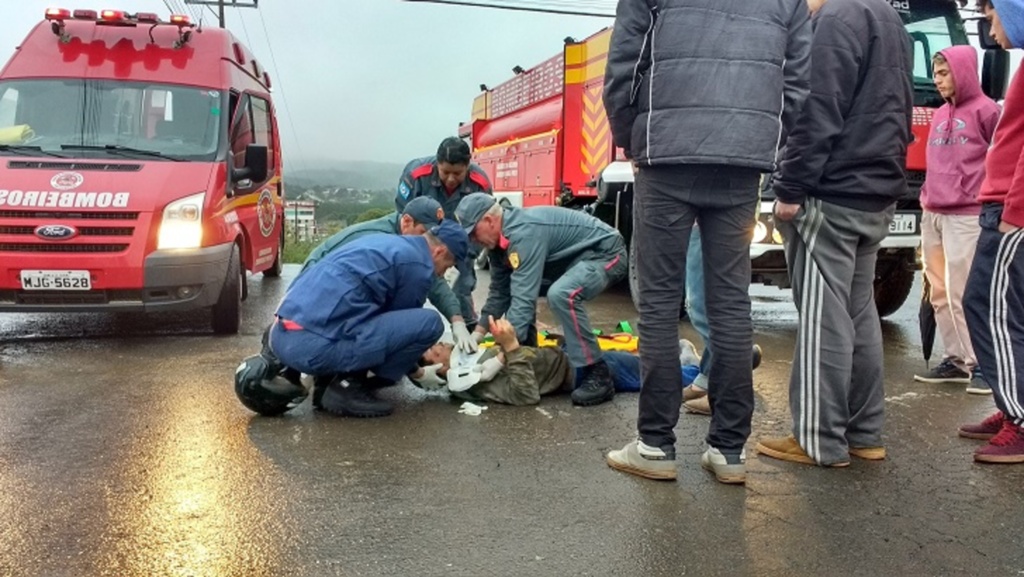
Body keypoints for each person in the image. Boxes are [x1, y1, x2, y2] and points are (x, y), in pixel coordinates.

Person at [602, 0, 812, 484]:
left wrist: (631, 139)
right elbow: (799, 84)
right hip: (742, 161)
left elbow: (623, 69)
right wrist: (766, 142)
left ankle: (655, 446)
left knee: (657, 303)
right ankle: (729, 450)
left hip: (666, 154)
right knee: (732, 305)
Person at [755, 0, 913, 468]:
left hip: (833, 190)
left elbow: (814, 110)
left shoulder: (834, 21)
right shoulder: (889, 19)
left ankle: (818, 439)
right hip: (876, 189)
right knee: (859, 313)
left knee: (825, 319)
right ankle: (865, 434)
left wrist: (789, 185)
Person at [266, 220, 469, 418]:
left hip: (282, 335)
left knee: (360, 312)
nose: (443, 273)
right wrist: (417, 373)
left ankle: (327, 383)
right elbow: (399, 335)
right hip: (311, 349)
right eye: (448, 265)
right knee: (429, 323)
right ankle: (348, 388)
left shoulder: (390, 243)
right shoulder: (418, 266)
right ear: (439, 252)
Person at [454, 193, 629, 407]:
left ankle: (596, 370)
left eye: (473, 233)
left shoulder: (523, 234)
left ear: (489, 221)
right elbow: (500, 292)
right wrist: (477, 334)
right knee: (517, 292)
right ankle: (528, 348)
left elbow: (523, 299)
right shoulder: (498, 245)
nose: (473, 240)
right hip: (573, 262)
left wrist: (501, 358)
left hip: (606, 253)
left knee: (562, 294)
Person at [913, 46, 1001, 395]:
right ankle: (955, 359)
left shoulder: (987, 112)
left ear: (963, 72)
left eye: (944, 73)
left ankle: (981, 365)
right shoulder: (937, 115)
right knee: (938, 290)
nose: (938, 80)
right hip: (933, 210)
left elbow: (1001, 158)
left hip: (966, 213)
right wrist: (925, 202)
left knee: (964, 291)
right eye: (935, 74)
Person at [960, 0, 1024, 464]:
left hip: (1011, 206)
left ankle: (1021, 419)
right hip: (1002, 201)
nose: (990, 26)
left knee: (988, 306)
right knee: (1009, 312)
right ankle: (1010, 406)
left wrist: (1015, 209)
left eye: (992, 14)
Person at [291, 196, 477, 354]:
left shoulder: (414, 247)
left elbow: (434, 280)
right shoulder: (377, 238)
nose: (427, 240)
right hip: (311, 296)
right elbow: (327, 276)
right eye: (423, 233)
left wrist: (456, 319)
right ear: (406, 222)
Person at [419, 315, 702, 406]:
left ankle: (686, 363)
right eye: (434, 351)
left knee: (640, 367)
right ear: (440, 370)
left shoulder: (475, 370)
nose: (441, 344)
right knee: (657, 379)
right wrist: (511, 348)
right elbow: (526, 394)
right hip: (579, 372)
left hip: (568, 360)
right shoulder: (478, 384)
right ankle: (703, 370)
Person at [397, 137, 493, 328]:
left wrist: (463, 255)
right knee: (411, 282)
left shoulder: (479, 184)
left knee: (464, 284)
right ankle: (406, 326)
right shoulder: (416, 175)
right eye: (445, 172)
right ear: (437, 164)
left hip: (461, 243)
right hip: (421, 241)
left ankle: (466, 327)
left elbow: (481, 226)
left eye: (457, 173)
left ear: (468, 166)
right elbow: (403, 218)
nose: (451, 179)